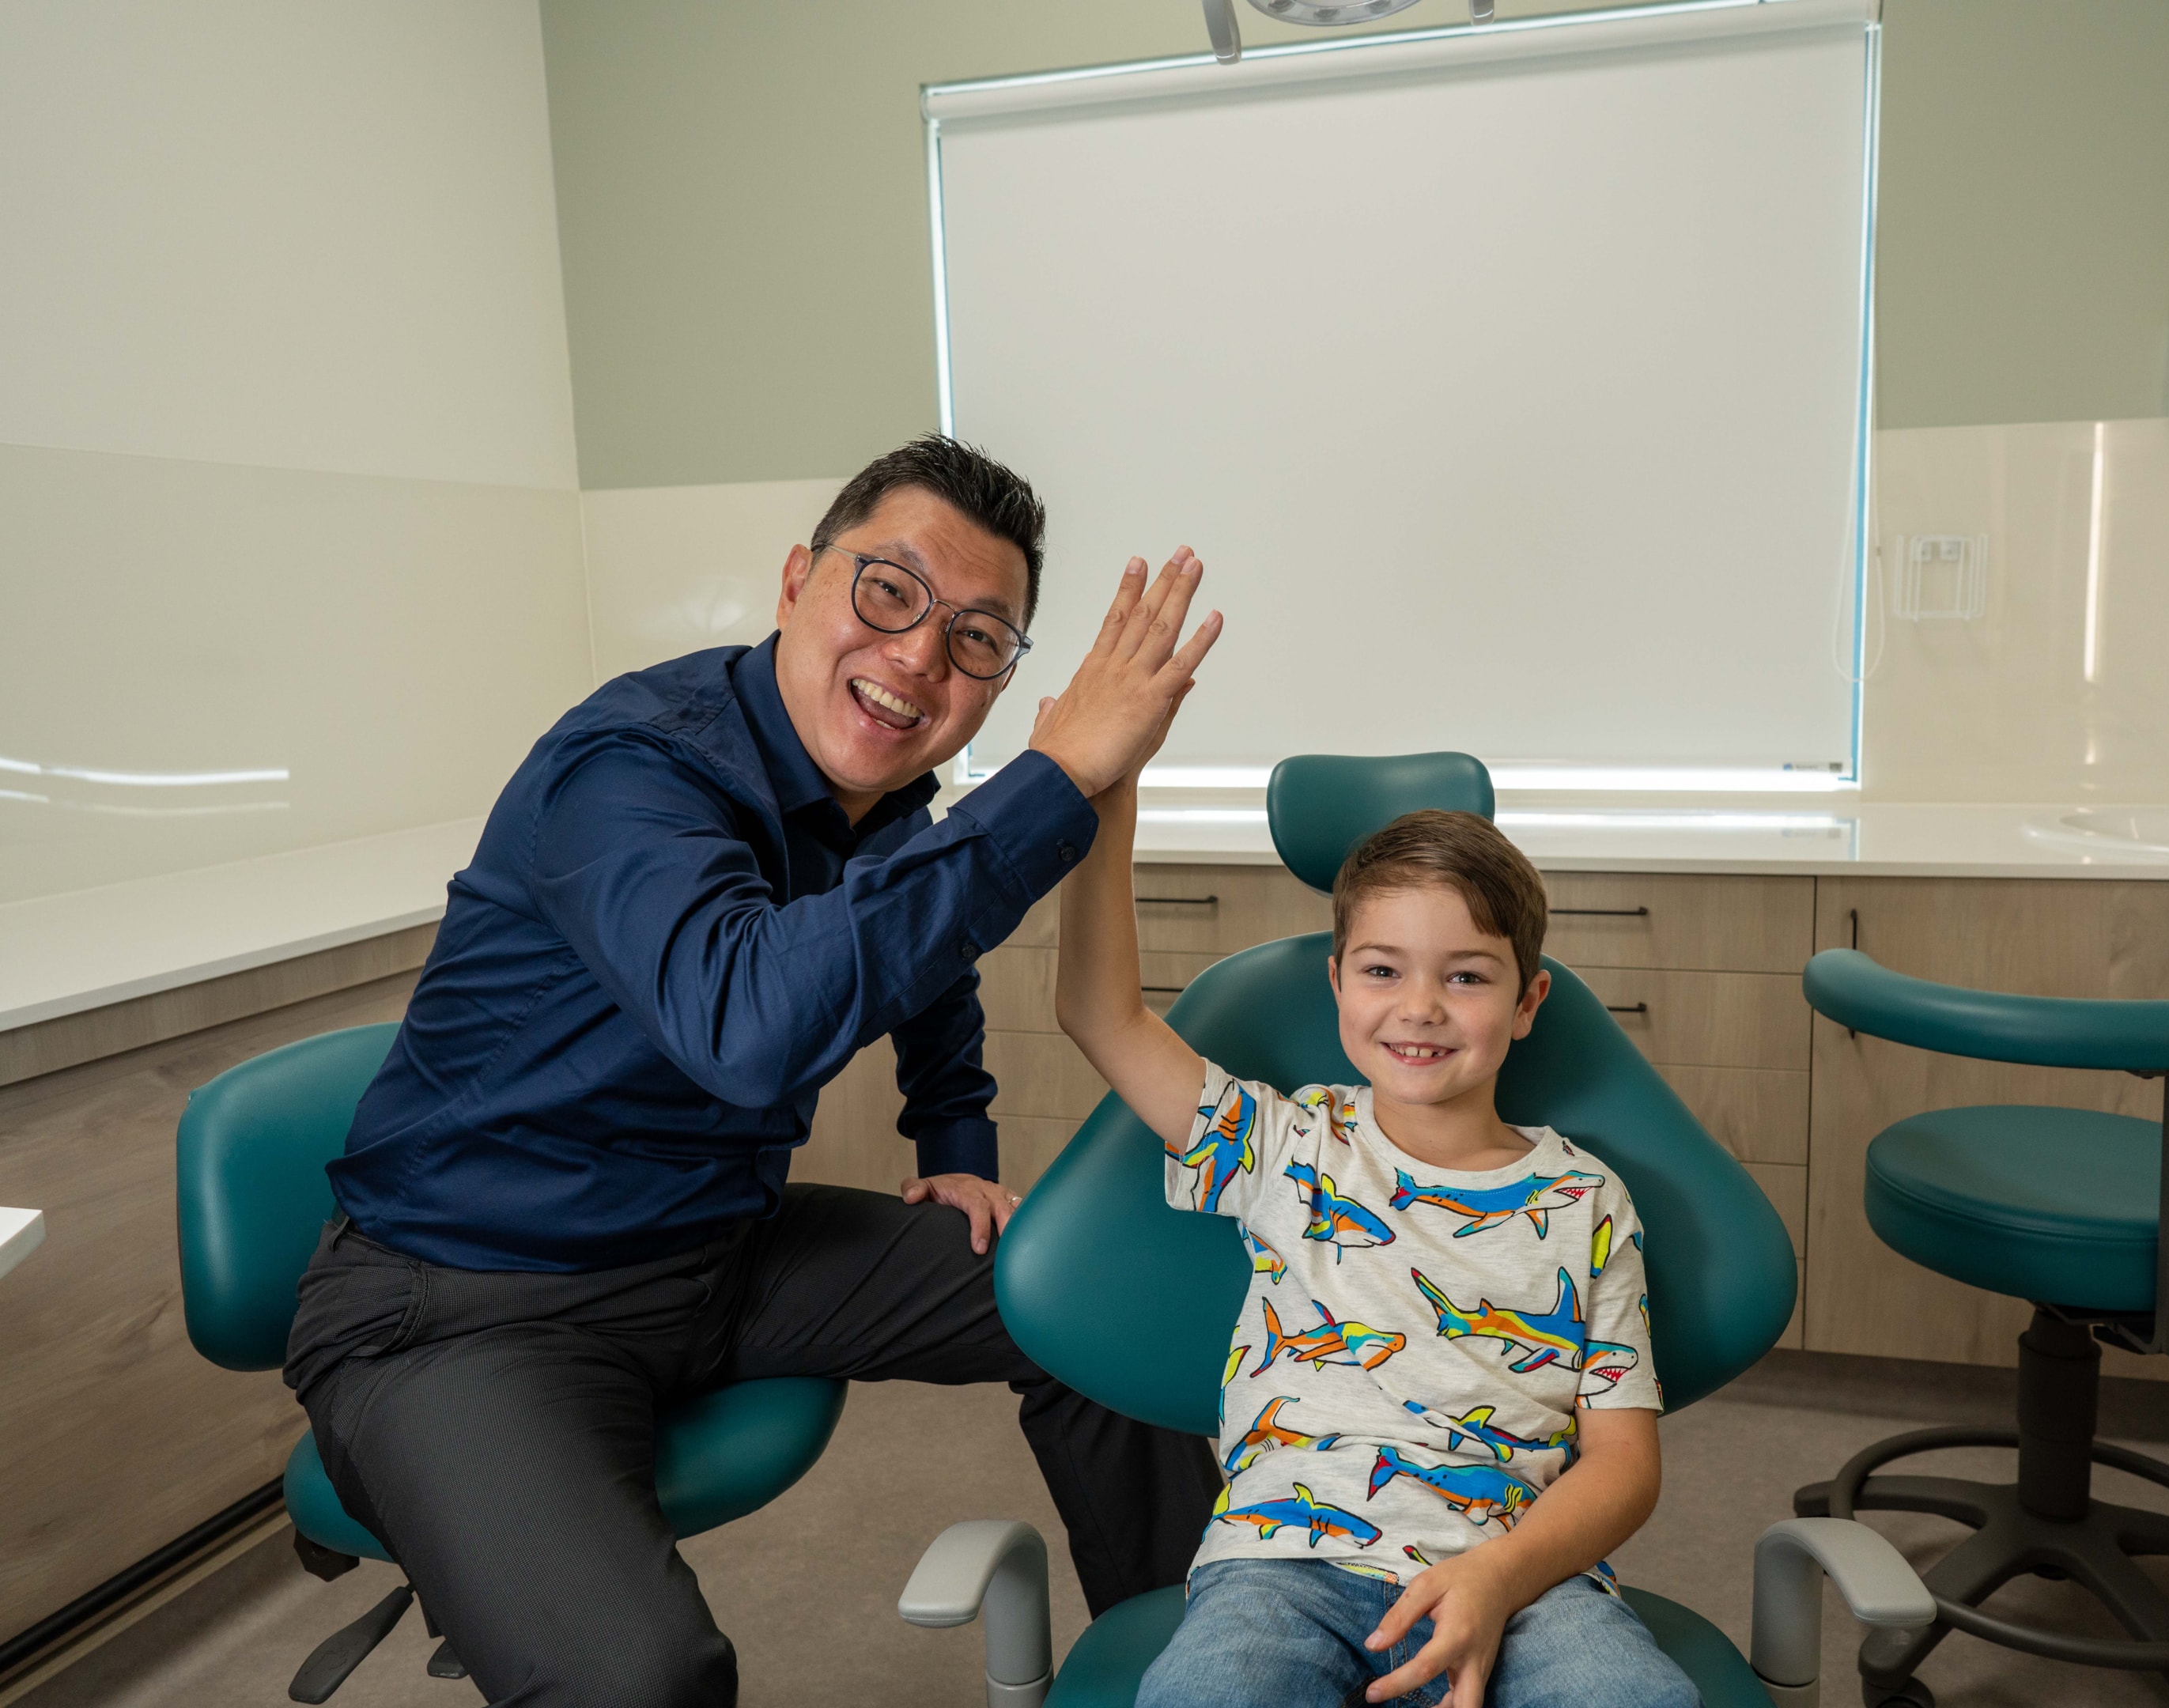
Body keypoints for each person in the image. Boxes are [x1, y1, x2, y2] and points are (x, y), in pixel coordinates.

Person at [282, 436, 1226, 1706]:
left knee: (1103, 1314)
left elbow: (922, 960)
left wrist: (957, 1149)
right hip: (464, 1298)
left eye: (977, 641)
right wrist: (1058, 779)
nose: (916, 660)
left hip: (720, 1253)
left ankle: (1199, 1665)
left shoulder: (881, 799)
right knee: (640, 1679)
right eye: (887, 593)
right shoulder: (629, 768)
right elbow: (744, 1021)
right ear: (795, 581)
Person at [1054, 788, 1699, 1708]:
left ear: (1529, 1001)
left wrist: (1501, 1574)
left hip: (1523, 1578)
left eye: (1468, 976)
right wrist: (1106, 804)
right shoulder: (1284, 1145)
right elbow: (1098, 1013)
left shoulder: (1587, 1202)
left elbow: (1625, 1461)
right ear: (1337, 983)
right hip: (1284, 1565)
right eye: (1383, 971)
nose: (1421, 1008)